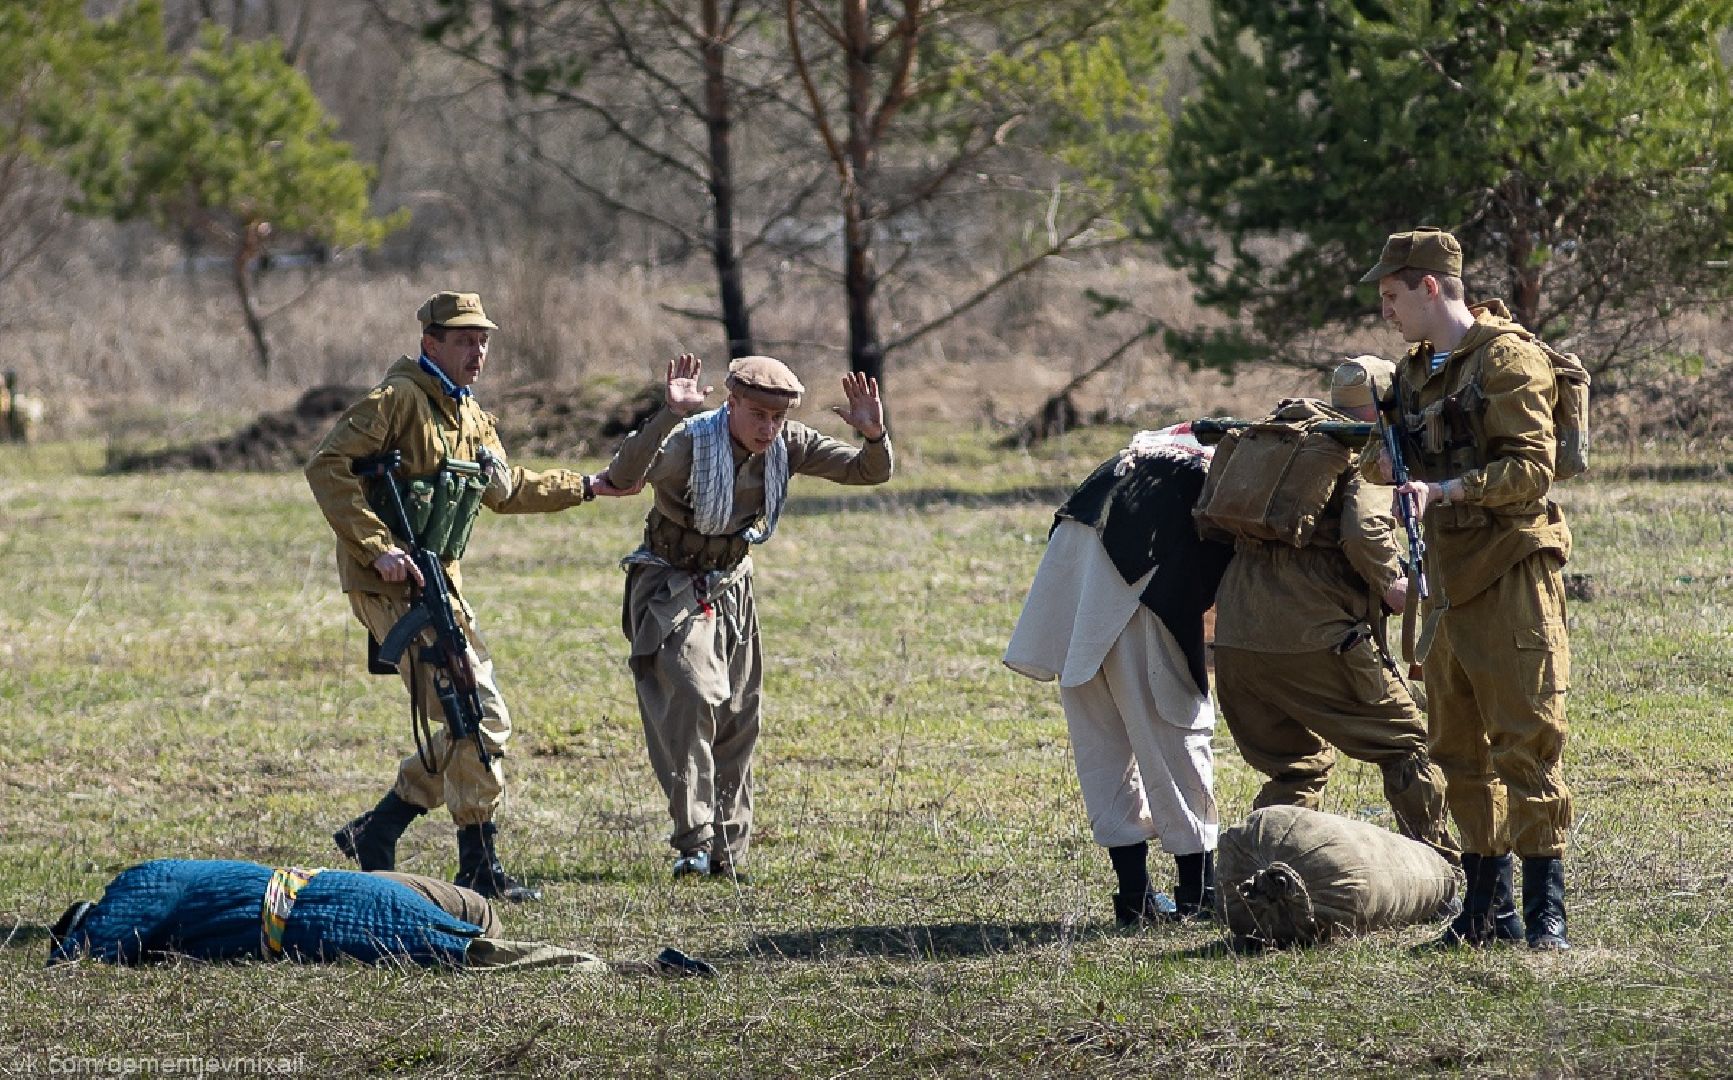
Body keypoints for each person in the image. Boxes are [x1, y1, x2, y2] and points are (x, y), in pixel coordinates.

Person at [306, 290, 627, 902]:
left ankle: (378, 832)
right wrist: (378, 547)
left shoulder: (471, 416)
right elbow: (328, 465)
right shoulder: (397, 400)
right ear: (430, 343)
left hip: (440, 582)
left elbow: (505, 490)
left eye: (482, 339)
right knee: (471, 715)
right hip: (390, 583)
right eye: (462, 340)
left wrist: (587, 485)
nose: (477, 350)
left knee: (475, 718)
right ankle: (475, 867)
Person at [596, 353, 891, 879]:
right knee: (690, 694)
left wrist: (873, 434)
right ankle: (693, 838)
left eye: (777, 417)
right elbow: (623, 475)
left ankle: (726, 854)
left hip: (732, 584)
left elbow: (869, 472)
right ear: (730, 403)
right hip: (671, 583)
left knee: (738, 716)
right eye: (757, 413)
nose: (768, 427)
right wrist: (668, 414)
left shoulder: (789, 444)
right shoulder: (690, 440)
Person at [1360, 228, 1573, 950]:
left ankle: (1546, 913)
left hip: (1510, 567)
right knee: (1456, 750)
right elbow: (1378, 461)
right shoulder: (1415, 372)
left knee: (1525, 741)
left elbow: (1530, 472)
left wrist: (1442, 490)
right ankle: (1487, 910)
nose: (1385, 312)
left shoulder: (1509, 358)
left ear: (1429, 287)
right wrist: (1384, 463)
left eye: (1391, 296)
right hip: (1448, 581)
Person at [1208, 360, 1458, 868]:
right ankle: (1443, 870)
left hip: (1236, 641)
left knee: (1295, 767)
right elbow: (1365, 527)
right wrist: (1396, 585)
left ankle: (1262, 877)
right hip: (1313, 638)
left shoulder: (1287, 444)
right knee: (1409, 743)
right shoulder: (1362, 448)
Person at [1003, 424, 1233, 927]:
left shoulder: (1141, 461)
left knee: (1101, 744)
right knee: (1177, 734)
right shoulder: (1215, 480)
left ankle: (1135, 897)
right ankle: (1197, 895)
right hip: (1139, 598)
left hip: (1071, 601)